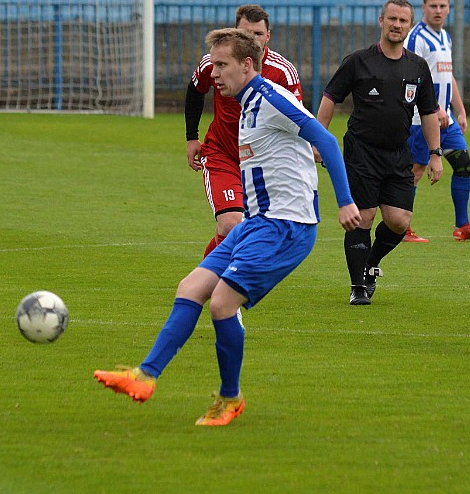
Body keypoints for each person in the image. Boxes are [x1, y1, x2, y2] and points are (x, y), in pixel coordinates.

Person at [94, 29, 361, 427]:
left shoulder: (271, 99)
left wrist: (345, 201)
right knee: (190, 288)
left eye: (221, 65)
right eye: (213, 64)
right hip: (256, 223)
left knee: (221, 304)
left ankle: (229, 398)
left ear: (246, 64)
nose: (214, 74)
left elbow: (327, 140)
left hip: (286, 227)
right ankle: (145, 376)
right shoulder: (245, 102)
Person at [316, 0, 444, 306]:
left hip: (398, 153)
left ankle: (370, 265)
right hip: (362, 150)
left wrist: (436, 153)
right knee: (364, 216)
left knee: (399, 220)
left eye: (403, 21)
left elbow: (428, 111)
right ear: (381, 21)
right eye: (392, 19)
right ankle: (357, 286)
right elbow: (330, 98)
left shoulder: (417, 66)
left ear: (409, 26)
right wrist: (318, 140)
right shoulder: (358, 61)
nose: (397, 25)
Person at [186, 5, 303, 257]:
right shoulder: (215, 62)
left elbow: (298, 121)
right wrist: (191, 137)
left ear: (268, 36)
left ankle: (207, 279)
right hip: (223, 154)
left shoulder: (283, 71)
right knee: (230, 224)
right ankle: (207, 281)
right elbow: (195, 90)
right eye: (244, 33)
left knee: (255, 232)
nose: (252, 40)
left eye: (258, 34)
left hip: (262, 162)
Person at [403, 0, 470, 242]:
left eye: (443, 6)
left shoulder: (445, 37)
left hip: (447, 119)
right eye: (433, 6)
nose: (438, 11)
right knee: (416, 171)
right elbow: (412, 77)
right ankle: (401, 228)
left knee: (463, 164)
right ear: (423, 7)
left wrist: (460, 109)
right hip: (422, 119)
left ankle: (463, 226)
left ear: (448, 9)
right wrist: (435, 107)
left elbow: (447, 75)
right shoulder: (416, 38)